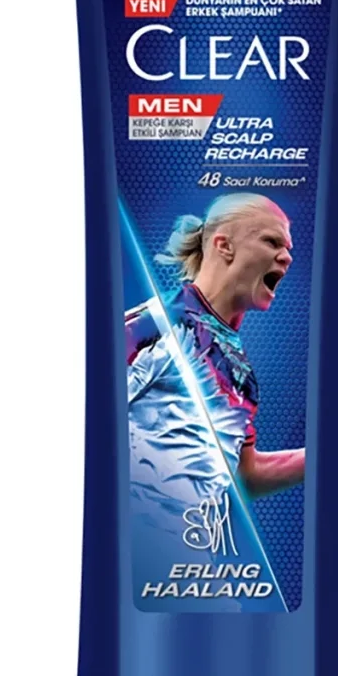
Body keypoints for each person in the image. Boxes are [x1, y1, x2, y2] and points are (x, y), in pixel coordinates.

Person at [126, 194, 304, 545]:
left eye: (288, 248)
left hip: (190, 552)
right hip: (137, 545)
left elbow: (242, 476)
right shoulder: (157, 326)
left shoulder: (241, 370)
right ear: (225, 246)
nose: (287, 257)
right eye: (272, 242)